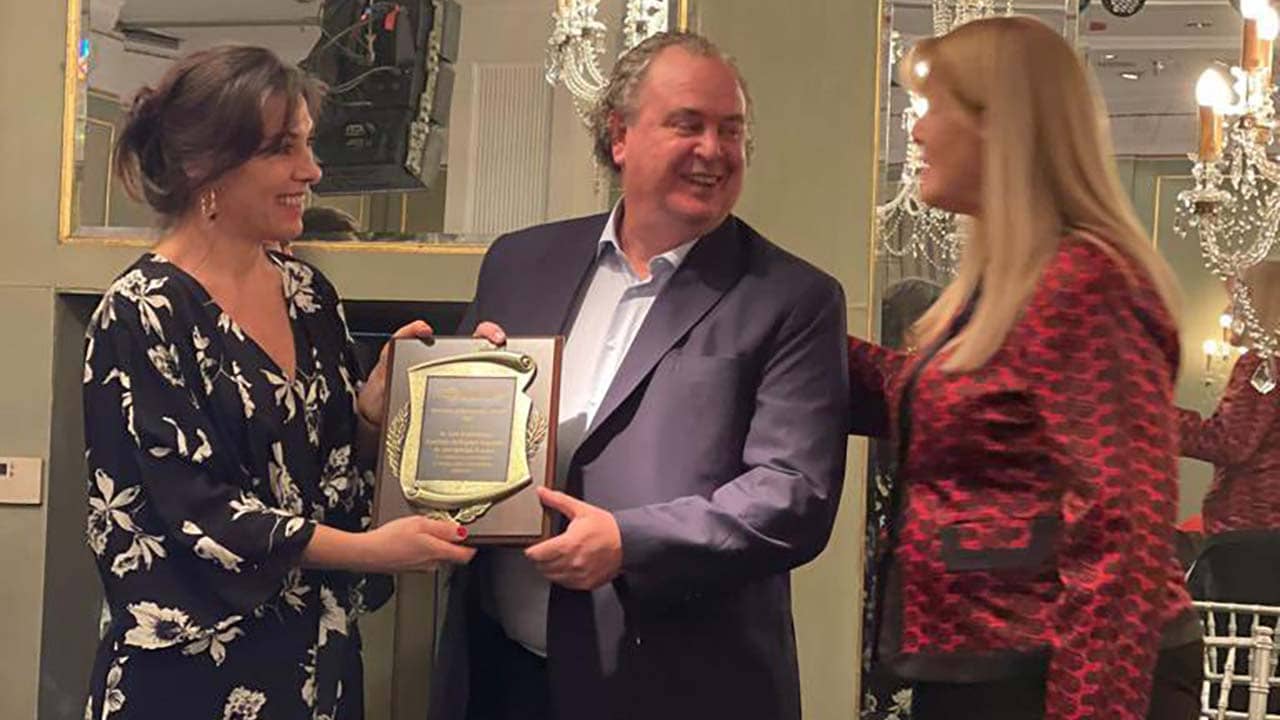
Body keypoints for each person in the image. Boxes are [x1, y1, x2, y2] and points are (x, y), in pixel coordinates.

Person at [430, 31, 851, 720]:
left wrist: (630, 542)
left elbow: (792, 496)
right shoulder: (518, 262)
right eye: (688, 124)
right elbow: (459, 436)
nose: (714, 150)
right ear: (619, 135)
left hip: (680, 687)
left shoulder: (793, 297)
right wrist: (400, 412)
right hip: (500, 677)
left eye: (732, 130)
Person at [81, 46, 474, 720]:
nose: (311, 171)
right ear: (208, 164)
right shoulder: (142, 311)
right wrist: (369, 553)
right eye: (281, 149)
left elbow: (333, 478)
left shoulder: (309, 296)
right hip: (190, 677)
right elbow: (195, 511)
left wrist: (373, 417)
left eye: (308, 144)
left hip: (317, 664)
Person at [846, 17, 1201, 720]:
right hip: (991, 668)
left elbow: (1120, 535)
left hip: (1058, 675)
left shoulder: (1087, 281)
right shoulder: (1012, 285)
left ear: (997, 128)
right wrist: (779, 320)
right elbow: (948, 407)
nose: (914, 133)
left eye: (931, 108)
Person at [1180, 260, 1280, 606]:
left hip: (1248, 534)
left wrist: (1155, 418)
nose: (1229, 310)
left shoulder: (1262, 365)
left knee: (1234, 650)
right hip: (1269, 537)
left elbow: (1230, 442)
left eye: (1238, 300)